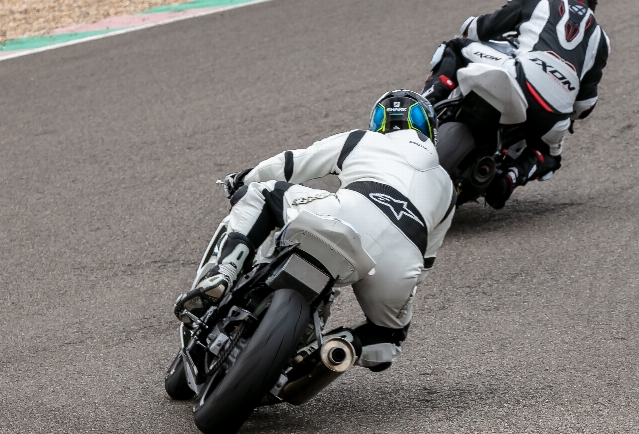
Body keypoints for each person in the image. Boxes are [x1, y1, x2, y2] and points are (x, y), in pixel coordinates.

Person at [174, 90, 454, 372]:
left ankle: (223, 274)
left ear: (378, 122)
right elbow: (426, 263)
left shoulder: (363, 139)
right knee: (389, 338)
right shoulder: (447, 187)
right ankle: (330, 350)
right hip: (399, 261)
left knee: (262, 193)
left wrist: (244, 178)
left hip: (348, 214)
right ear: (430, 130)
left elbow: (293, 164)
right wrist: (400, 287)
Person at [423, 0, 611, 208]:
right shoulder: (601, 40)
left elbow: (477, 30)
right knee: (549, 156)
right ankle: (510, 177)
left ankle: (425, 105)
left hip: (523, 77)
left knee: (455, 47)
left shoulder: (532, 2)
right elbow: (585, 105)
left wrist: (470, 23)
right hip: (554, 112)